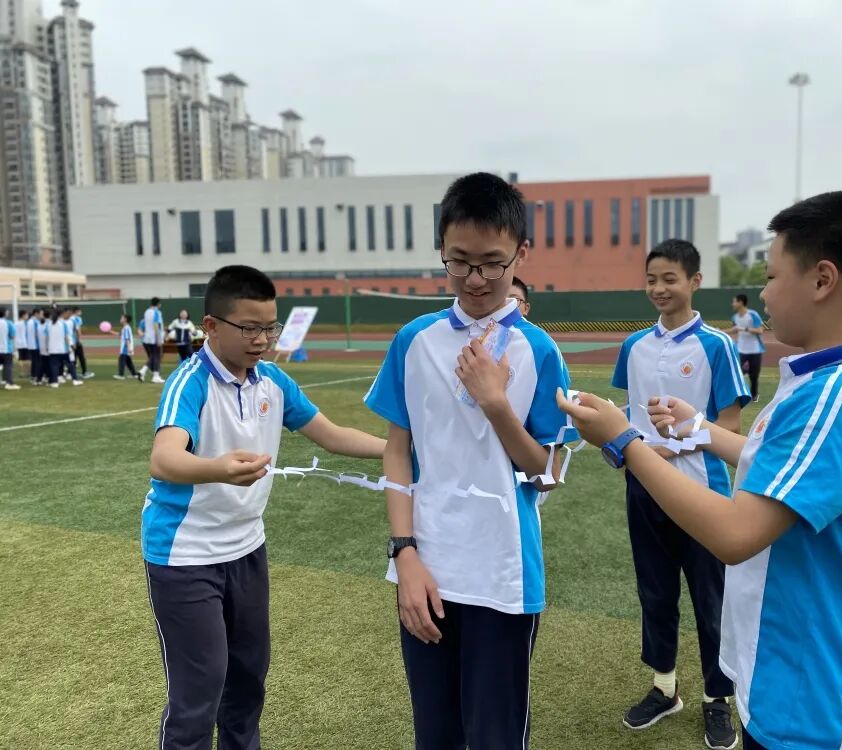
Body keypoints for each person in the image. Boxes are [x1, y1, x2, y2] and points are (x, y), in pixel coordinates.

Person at [559, 191, 842, 750]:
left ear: (822, 279)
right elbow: (781, 465)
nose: (764, 293)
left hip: (818, 704)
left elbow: (735, 535)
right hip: (805, 682)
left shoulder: (836, 395)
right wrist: (701, 428)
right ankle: (672, 685)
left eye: (773, 276)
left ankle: (711, 696)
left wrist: (624, 440)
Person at [364, 172, 574, 749]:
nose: (475, 279)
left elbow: (548, 474)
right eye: (459, 262)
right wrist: (405, 554)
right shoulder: (415, 339)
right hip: (426, 570)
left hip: (503, 577)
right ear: (442, 251)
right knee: (435, 735)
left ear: (521, 254)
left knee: (495, 737)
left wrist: (497, 405)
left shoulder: (539, 350)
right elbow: (398, 450)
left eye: (492, 263)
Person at [144, 265, 385, 750]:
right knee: (199, 690)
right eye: (249, 328)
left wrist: (402, 450)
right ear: (211, 326)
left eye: (269, 327)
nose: (262, 340)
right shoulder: (190, 381)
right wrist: (218, 468)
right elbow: (164, 459)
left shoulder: (273, 381)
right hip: (185, 556)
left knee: (248, 678)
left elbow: (332, 436)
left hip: (247, 550)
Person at [611, 239, 747, 748]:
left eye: (669, 279)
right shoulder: (634, 346)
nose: (659, 288)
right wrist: (624, 447)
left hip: (702, 490)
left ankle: (718, 697)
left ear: (694, 281)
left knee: (712, 599)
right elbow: (629, 415)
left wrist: (666, 448)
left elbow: (730, 425)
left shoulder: (717, 345)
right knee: (655, 591)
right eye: (651, 279)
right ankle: (665, 688)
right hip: (645, 489)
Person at [727, 293, 766, 402]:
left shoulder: (752, 314)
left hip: (755, 350)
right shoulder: (735, 317)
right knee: (736, 373)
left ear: (740, 302)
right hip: (741, 350)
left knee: (754, 376)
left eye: (734, 302)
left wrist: (744, 329)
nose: (732, 304)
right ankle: (737, 395)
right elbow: (735, 329)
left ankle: (754, 396)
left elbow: (760, 330)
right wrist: (720, 331)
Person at [48, 308, 82, 387]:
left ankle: (55, 382)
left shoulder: (49, 324)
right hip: (63, 349)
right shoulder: (63, 324)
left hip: (52, 349)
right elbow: (67, 337)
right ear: (61, 314)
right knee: (70, 364)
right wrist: (71, 346)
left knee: (54, 366)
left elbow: (47, 336)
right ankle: (75, 380)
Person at [139, 297, 165, 384]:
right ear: (158, 304)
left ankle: (150, 373)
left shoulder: (146, 312)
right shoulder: (157, 312)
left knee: (153, 356)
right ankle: (153, 375)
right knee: (156, 356)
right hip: (154, 338)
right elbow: (156, 325)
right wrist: (158, 338)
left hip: (147, 337)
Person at [112, 314, 140, 381]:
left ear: (125, 319)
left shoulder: (126, 328)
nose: (120, 319)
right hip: (127, 347)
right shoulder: (125, 328)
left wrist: (129, 348)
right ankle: (134, 374)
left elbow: (127, 339)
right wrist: (110, 331)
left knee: (121, 360)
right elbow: (120, 334)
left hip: (125, 347)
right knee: (128, 361)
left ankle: (121, 375)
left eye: (122, 318)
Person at [70, 307, 95, 379]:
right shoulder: (75, 319)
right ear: (76, 311)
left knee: (74, 357)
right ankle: (84, 372)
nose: (81, 312)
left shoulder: (72, 318)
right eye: (80, 311)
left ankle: (72, 373)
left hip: (71, 341)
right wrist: (78, 340)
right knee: (80, 357)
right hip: (75, 341)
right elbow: (78, 330)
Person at [0, 307, 18, 390]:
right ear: (5, 313)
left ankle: (4, 380)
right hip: (6, 348)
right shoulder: (8, 323)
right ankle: (9, 383)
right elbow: (12, 335)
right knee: (8, 366)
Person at [15, 309, 29, 379]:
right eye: (26, 315)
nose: (27, 316)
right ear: (23, 315)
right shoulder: (25, 323)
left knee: (20, 358)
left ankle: (21, 372)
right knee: (27, 359)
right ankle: (26, 372)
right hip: (24, 343)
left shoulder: (16, 323)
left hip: (18, 343)